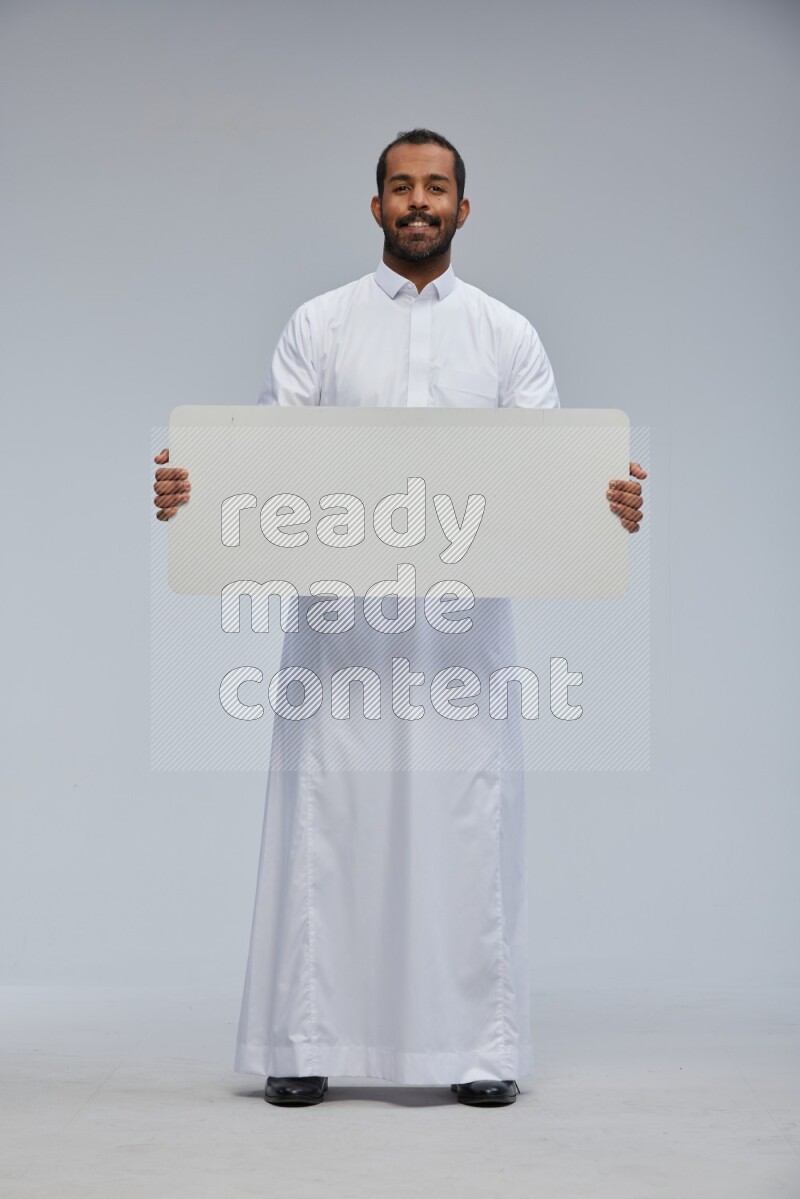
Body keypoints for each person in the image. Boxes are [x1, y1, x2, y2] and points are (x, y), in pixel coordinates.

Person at [154, 129, 646, 1108]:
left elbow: (550, 480)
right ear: (374, 205)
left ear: (463, 208)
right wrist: (193, 492)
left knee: (466, 830)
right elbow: (263, 465)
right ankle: (303, 1040)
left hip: (459, 644)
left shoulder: (506, 336)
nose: (417, 201)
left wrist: (607, 503)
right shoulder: (320, 326)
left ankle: (476, 1047)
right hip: (340, 641)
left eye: (435, 187)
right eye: (399, 186)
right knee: (323, 827)